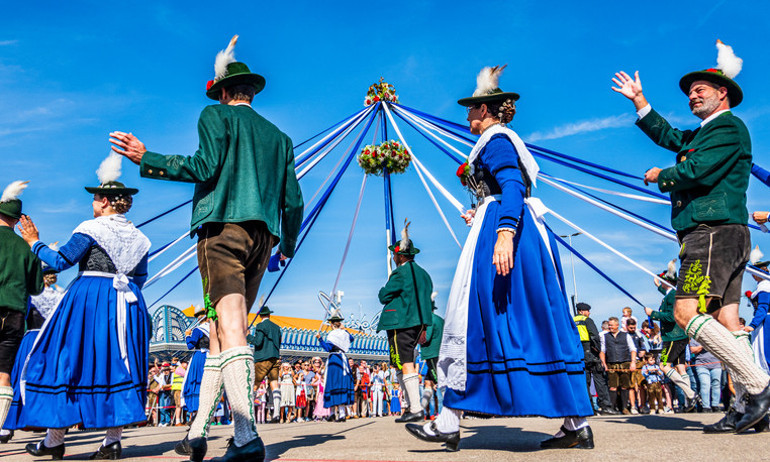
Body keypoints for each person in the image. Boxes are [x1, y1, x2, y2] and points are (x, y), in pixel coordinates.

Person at [111, 36, 303, 462]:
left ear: (222, 92)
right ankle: (197, 432)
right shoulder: (281, 138)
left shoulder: (214, 116)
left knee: (230, 328)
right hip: (263, 238)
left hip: (223, 231)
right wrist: (286, 246)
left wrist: (147, 158)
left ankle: (246, 436)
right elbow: (293, 201)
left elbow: (204, 166)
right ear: (250, 92)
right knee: (218, 332)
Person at [407, 66, 594, 452]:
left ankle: (449, 420)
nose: (467, 116)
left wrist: (504, 231)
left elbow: (512, 185)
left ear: (485, 111)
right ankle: (576, 422)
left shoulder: (496, 140)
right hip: (509, 227)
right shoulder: (498, 141)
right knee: (535, 320)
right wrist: (483, 214)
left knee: (477, 319)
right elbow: (505, 190)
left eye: (471, 109)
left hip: (510, 233)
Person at [613, 40, 770, 434]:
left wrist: (660, 176)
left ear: (723, 93)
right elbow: (673, 138)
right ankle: (749, 406)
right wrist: (640, 102)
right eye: (689, 92)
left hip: (711, 231)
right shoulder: (706, 131)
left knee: (685, 313)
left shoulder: (728, 127)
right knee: (727, 320)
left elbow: (696, 169)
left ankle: (759, 387)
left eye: (700, 89)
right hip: (726, 233)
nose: (692, 95)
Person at [18, 155, 151, 460]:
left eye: (94, 198)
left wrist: (34, 242)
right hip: (128, 302)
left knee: (64, 360)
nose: (92, 203)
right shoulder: (141, 238)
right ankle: (112, 441)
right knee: (118, 366)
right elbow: (140, 278)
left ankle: (54, 439)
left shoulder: (91, 228)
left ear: (104, 202)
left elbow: (60, 260)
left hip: (89, 298)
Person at [377, 221, 434, 423]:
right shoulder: (425, 275)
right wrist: (424, 327)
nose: (393, 258)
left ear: (400, 256)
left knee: (404, 363)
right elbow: (426, 303)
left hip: (400, 323)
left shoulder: (400, 273)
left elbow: (384, 296)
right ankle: (410, 406)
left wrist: (384, 287)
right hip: (418, 324)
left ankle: (415, 408)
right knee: (402, 363)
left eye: (395, 255)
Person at [0, 181, 44, 439]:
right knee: (3, 374)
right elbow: (37, 288)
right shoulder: (26, 248)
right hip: (14, 315)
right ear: (17, 220)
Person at [645, 261, 700, 412]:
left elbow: (671, 316)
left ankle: (690, 394)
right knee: (681, 368)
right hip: (679, 336)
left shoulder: (672, 295)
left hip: (672, 338)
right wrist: (657, 285)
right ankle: (690, 403)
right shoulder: (672, 294)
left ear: (667, 282)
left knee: (663, 366)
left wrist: (653, 314)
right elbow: (667, 294)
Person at [574, 302, 615, 415]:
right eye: (587, 311)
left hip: (578, 353)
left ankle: (589, 408)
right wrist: (598, 349)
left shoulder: (571, 321)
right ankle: (605, 407)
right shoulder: (587, 320)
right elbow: (595, 336)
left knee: (585, 382)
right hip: (590, 352)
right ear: (582, 311)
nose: (589, 313)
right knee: (599, 379)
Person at [316, 311, 355, 422]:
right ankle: (339, 414)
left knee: (333, 384)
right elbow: (351, 339)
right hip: (342, 360)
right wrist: (345, 329)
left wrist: (320, 339)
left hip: (334, 360)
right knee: (341, 384)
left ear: (332, 324)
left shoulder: (332, 334)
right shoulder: (344, 333)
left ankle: (334, 413)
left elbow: (328, 348)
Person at [246, 306, 283, 423]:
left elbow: (258, 342)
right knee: (274, 385)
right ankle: (276, 413)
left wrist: (248, 336)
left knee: (255, 385)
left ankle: (249, 414)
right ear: (269, 315)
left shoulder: (260, 326)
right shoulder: (276, 327)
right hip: (274, 358)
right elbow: (279, 342)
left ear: (260, 316)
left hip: (262, 358)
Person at [600, 317, 637, 414]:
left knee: (625, 386)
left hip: (625, 363)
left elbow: (633, 349)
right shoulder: (605, 336)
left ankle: (624, 408)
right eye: (609, 325)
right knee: (613, 387)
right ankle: (612, 408)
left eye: (612, 325)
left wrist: (633, 362)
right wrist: (604, 363)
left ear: (617, 325)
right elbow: (602, 351)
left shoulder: (626, 335)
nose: (610, 327)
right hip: (611, 364)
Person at [419, 292, 444, 416]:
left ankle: (444, 412)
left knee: (439, 384)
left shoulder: (429, 321)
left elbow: (426, 338)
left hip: (432, 355)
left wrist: (415, 337)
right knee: (428, 384)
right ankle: (420, 410)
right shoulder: (440, 319)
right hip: (439, 353)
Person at [183, 311, 210, 421]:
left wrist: (187, 335)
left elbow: (190, 346)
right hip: (210, 357)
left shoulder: (198, 330)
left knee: (195, 382)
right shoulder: (213, 329)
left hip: (200, 357)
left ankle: (196, 412)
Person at [747, 246, 770, 373]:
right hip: (763, 321)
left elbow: (763, 307)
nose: (752, 277)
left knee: (765, 355)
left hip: (765, 322)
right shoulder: (762, 285)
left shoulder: (765, 285)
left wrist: (752, 325)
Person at [690, 338, 723, 412]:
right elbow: (693, 350)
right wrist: (703, 345)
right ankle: (706, 406)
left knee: (716, 384)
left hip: (716, 364)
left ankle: (715, 405)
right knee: (705, 384)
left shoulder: (714, 336)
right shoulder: (695, 338)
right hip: (701, 364)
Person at [626, 319, 648, 413]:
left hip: (639, 362)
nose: (633, 329)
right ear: (627, 326)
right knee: (631, 385)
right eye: (631, 327)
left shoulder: (639, 335)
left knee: (641, 385)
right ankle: (633, 406)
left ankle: (643, 405)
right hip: (628, 361)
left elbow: (643, 346)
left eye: (634, 327)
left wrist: (643, 352)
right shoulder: (624, 335)